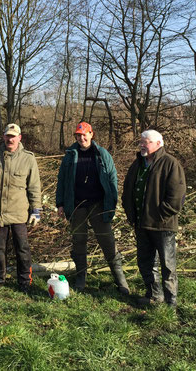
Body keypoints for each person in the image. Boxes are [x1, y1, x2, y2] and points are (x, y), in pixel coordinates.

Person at [55, 122, 130, 294]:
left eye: (84, 135)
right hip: (77, 205)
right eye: (78, 135)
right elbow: (62, 180)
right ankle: (81, 278)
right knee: (79, 242)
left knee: (107, 241)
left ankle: (121, 281)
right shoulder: (69, 155)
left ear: (91, 134)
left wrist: (112, 203)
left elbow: (112, 179)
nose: (81, 138)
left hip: (98, 205)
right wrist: (60, 203)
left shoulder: (102, 154)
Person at [122, 129, 186, 308]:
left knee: (167, 265)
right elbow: (128, 189)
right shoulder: (138, 164)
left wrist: (160, 215)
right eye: (141, 141)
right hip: (141, 224)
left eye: (146, 142)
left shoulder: (170, 164)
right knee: (145, 262)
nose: (142, 145)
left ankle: (170, 302)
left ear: (158, 144)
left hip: (162, 225)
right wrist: (130, 212)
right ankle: (154, 295)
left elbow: (177, 196)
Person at [0, 123, 42, 293]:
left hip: (19, 214)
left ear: (19, 138)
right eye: (8, 136)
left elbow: (34, 186)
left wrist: (36, 210)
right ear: (3, 137)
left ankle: (24, 281)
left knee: (22, 249)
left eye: (13, 136)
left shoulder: (28, 158)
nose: (10, 139)